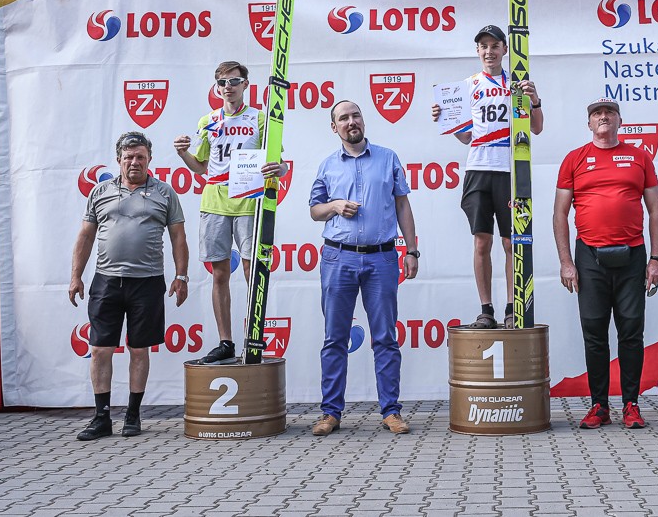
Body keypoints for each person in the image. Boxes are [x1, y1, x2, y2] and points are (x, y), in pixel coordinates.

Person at [69, 131, 189, 440]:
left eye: (140, 157)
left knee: (139, 349)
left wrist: (181, 276)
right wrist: (75, 276)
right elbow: (85, 236)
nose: (134, 162)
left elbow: (178, 237)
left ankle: (133, 415)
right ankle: (101, 418)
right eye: (128, 157)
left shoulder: (165, 193)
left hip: (147, 282)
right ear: (118, 159)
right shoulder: (100, 191)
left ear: (150, 159)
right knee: (100, 350)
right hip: (106, 281)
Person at [308, 100, 419, 436]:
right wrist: (334, 206)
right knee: (334, 338)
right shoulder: (328, 165)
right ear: (334, 127)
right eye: (343, 118)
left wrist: (411, 250)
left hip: (381, 258)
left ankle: (391, 411)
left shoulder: (388, 158)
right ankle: (330, 413)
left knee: (385, 337)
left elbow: (403, 205)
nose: (351, 121)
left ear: (363, 121)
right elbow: (314, 211)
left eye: (355, 115)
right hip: (338, 257)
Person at [553, 98, 658, 430]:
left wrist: (656, 259)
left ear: (620, 121)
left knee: (631, 332)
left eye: (609, 112)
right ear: (589, 123)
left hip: (633, 255)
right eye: (597, 114)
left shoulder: (640, 157)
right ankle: (599, 405)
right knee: (594, 333)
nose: (603, 117)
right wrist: (566, 262)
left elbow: (655, 211)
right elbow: (559, 214)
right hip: (589, 257)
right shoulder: (574, 159)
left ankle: (631, 403)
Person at [173, 61, 288, 365]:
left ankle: (254, 333)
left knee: (252, 270)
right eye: (223, 82)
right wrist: (183, 153)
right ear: (217, 87)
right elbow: (201, 167)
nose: (229, 87)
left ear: (245, 84)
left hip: (249, 198)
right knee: (220, 273)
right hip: (215, 200)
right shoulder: (208, 121)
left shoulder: (260, 118)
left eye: (235, 81)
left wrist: (279, 169)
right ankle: (225, 341)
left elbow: (280, 162)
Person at [431, 25, 543, 329]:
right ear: (477, 51)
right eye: (483, 46)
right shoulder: (468, 85)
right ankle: (486, 310)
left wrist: (534, 101)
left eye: (495, 46)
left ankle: (511, 307)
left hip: (509, 170)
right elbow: (466, 137)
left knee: (510, 243)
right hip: (478, 168)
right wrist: (447, 119)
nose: (489, 51)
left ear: (505, 49)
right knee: (482, 241)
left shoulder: (517, 84)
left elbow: (536, 127)